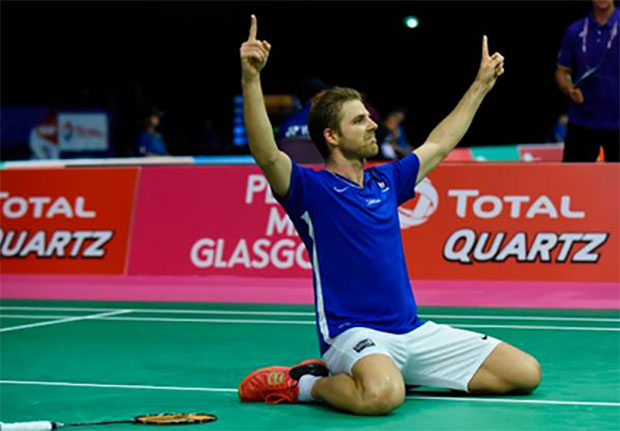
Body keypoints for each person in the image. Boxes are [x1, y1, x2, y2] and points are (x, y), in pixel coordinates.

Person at [237, 15, 541, 415]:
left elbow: (439, 142)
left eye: (369, 117)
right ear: (331, 135)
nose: (372, 125)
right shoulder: (310, 190)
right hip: (353, 333)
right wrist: (250, 78)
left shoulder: (387, 181)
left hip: (411, 331)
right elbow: (266, 153)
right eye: (359, 120)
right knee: (381, 397)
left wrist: (481, 85)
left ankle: (395, 371)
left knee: (524, 373)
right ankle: (307, 384)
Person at [555, 0, 619, 162]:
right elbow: (562, 71)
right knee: (572, 182)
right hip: (582, 122)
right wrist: (569, 89)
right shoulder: (575, 30)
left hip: (618, 121)